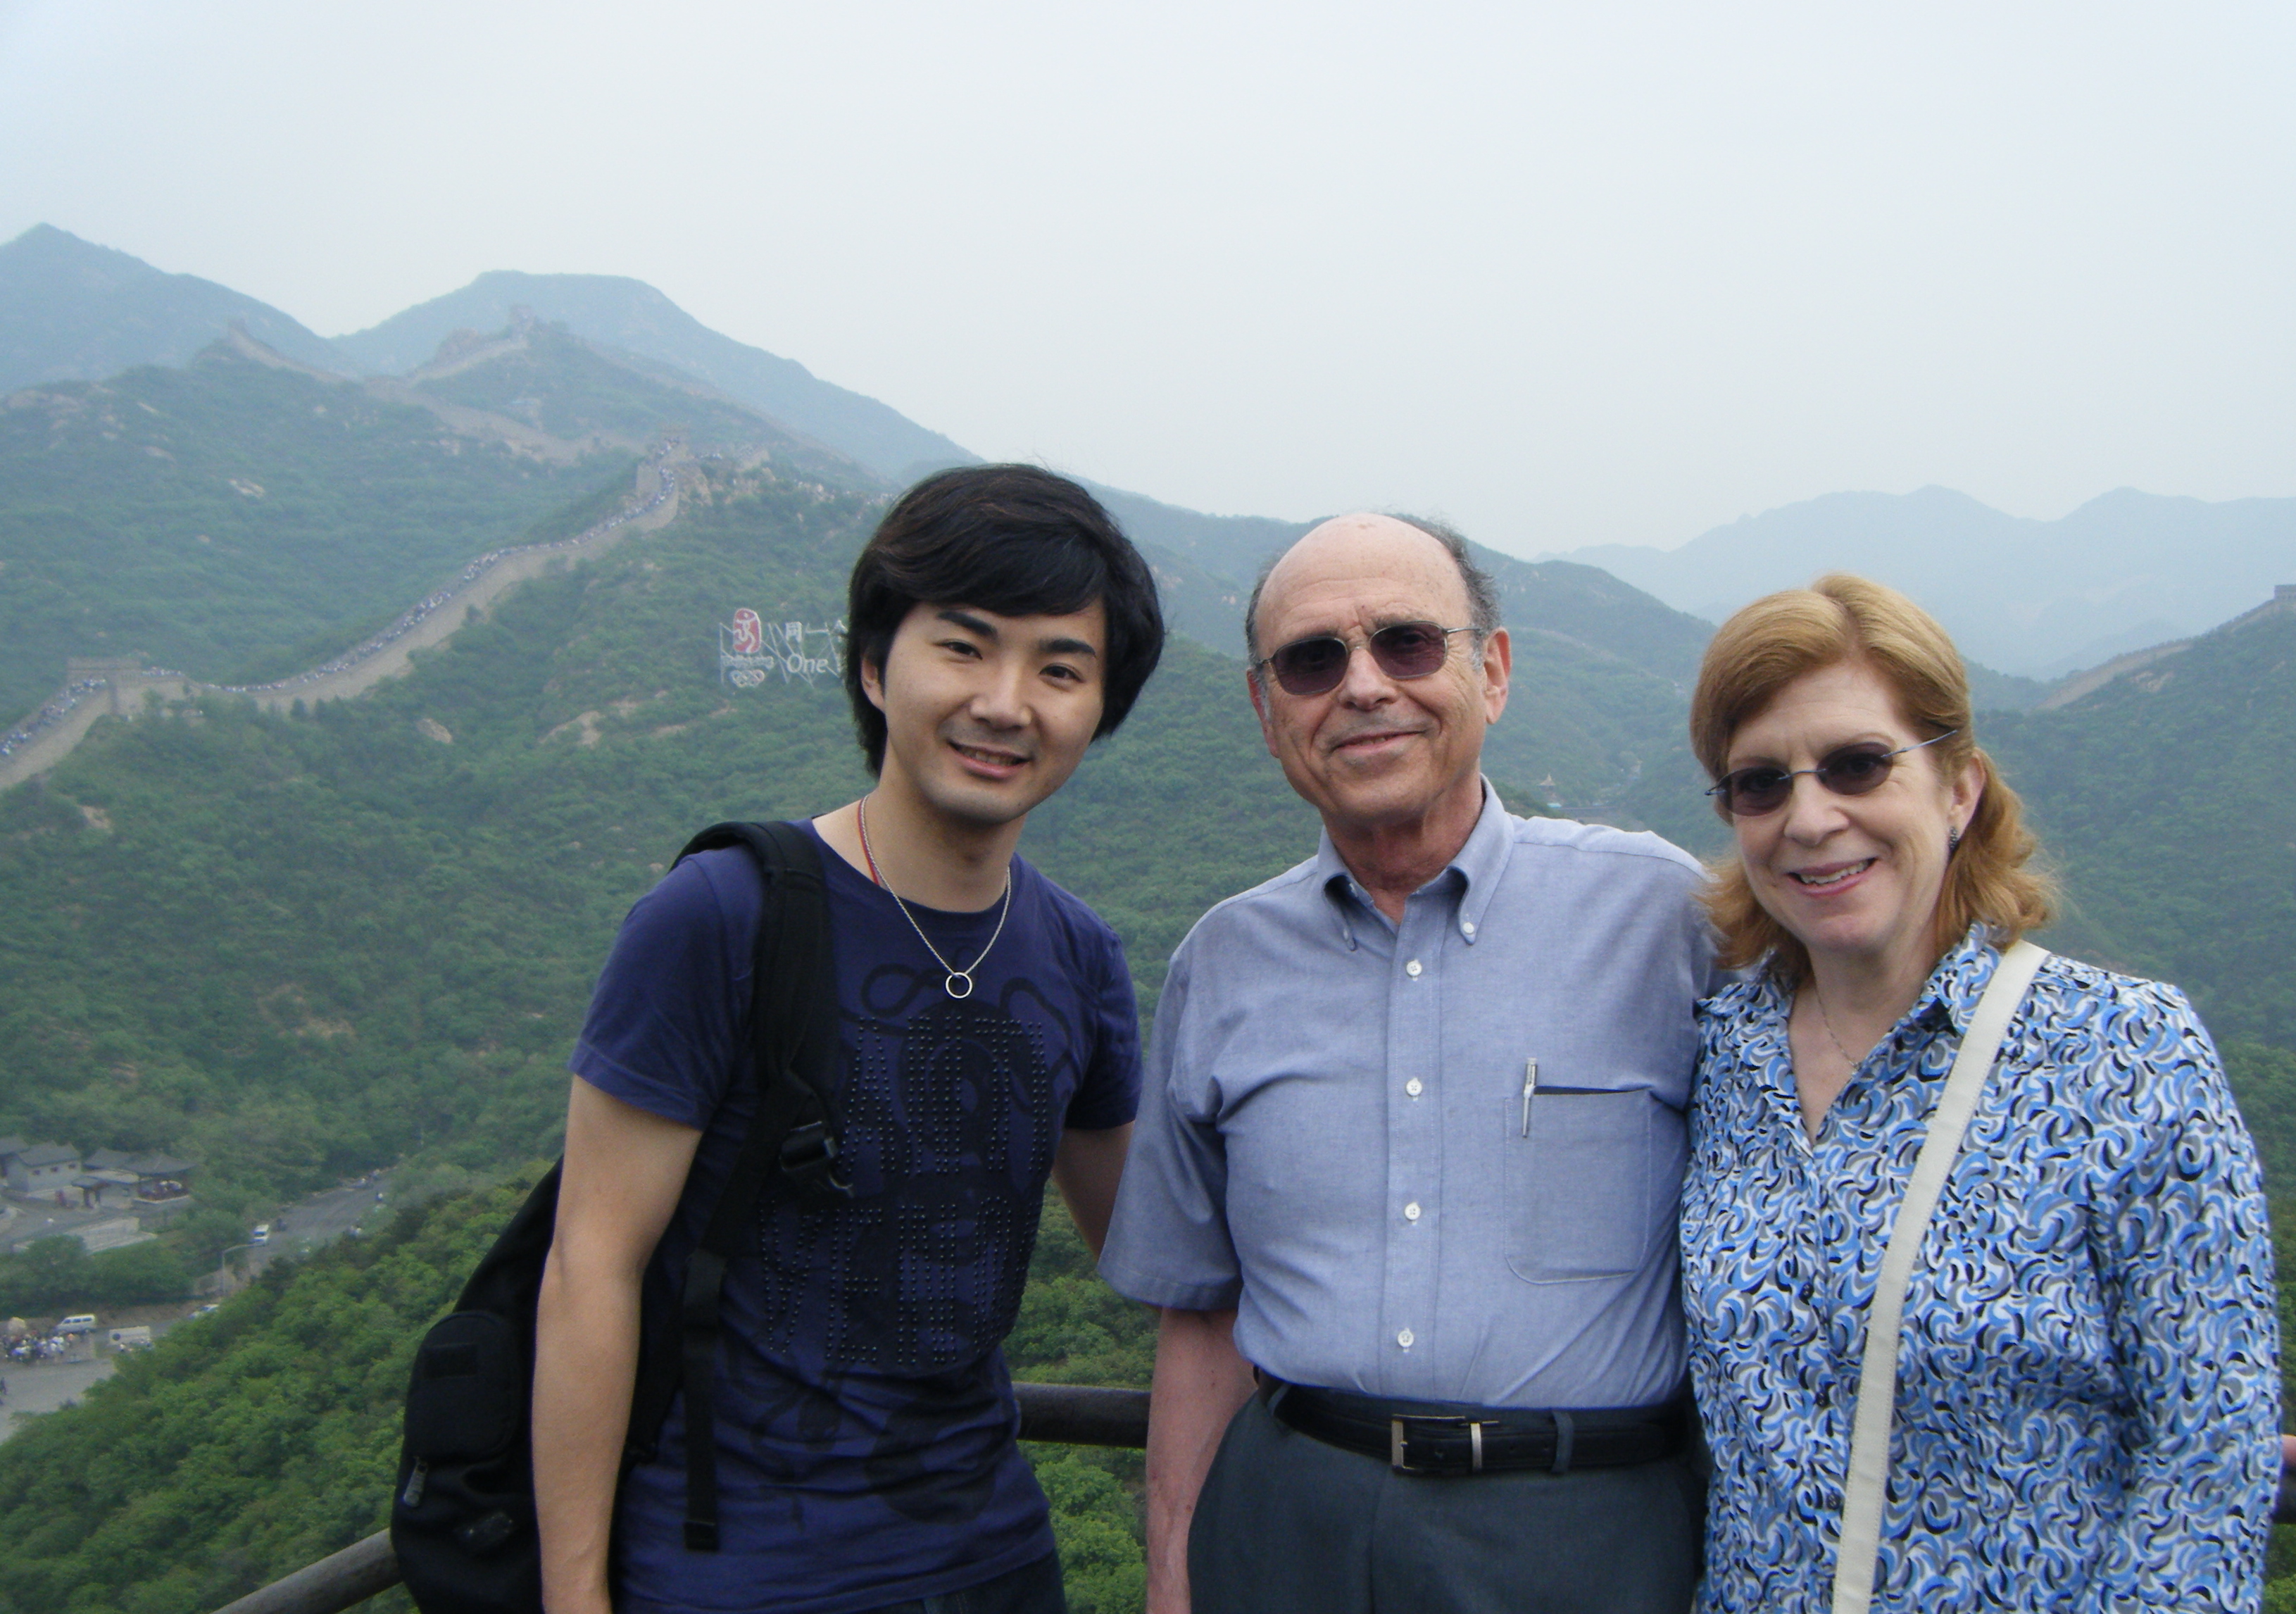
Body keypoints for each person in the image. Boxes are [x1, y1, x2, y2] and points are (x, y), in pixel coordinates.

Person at [530, 465, 1165, 1614]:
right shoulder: (723, 916)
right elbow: (591, 1271)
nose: (1006, 702)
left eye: (1060, 669)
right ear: (876, 667)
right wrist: (574, 1599)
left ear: (1098, 712)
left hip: (995, 1561)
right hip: (738, 1569)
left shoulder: (1078, 955)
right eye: (963, 648)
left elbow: (1148, 1248)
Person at [1099, 514, 1721, 1613]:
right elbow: (1199, 1314)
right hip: (1289, 1526)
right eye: (1311, 660)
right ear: (1264, 709)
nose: (1364, 685)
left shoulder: (1661, 917)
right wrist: (1170, 1575)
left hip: (1588, 1534)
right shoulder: (1224, 963)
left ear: (1494, 669)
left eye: (1409, 642)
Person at [1677, 573, 2284, 1611]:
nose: (1810, 818)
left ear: (1959, 789)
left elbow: (2208, 1457)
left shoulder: (2124, 1053)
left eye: (1859, 766)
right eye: (1761, 784)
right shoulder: (1722, 1048)